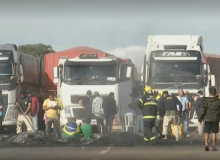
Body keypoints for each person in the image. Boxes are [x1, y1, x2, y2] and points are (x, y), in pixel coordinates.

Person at [199, 87, 220, 151]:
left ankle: (206, 144)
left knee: (206, 132)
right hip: (215, 118)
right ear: (215, 92)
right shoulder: (218, 101)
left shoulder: (206, 100)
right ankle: (213, 146)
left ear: (209, 92)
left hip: (207, 118)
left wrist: (201, 117)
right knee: (214, 133)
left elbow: (203, 110)